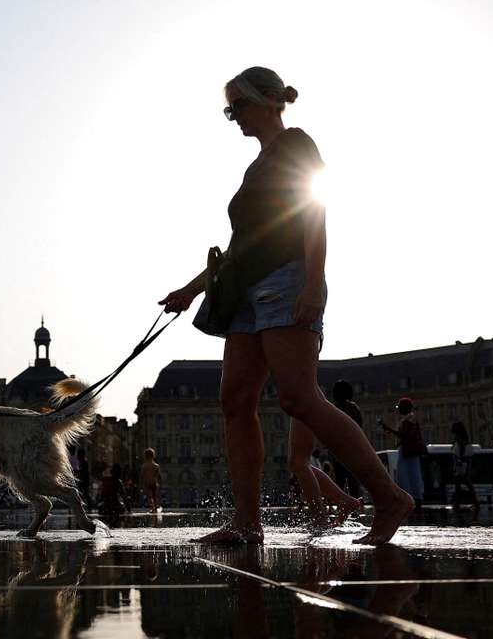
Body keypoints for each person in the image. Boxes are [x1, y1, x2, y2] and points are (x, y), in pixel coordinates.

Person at [160, 66, 413, 545]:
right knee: (234, 401)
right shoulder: (255, 167)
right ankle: (248, 523)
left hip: (285, 280)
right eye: (229, 109)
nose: (234, 117)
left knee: (298, 397)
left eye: (239, 106)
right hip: (241, 294)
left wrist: (313, 282)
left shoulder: (296, 143)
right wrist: (191, 289)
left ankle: (388, 497)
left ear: (267, 101)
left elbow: (313, 210)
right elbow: (239, 247)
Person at [379, 398, 425, 509]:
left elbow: (404, 435)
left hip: (407, 450)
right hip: (409, 451)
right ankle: (415, 498)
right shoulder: (410, 418)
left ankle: (409, 499)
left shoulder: (409, 419)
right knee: (412, 474)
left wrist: (388, 428)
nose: (398, 409)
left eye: (399, 407)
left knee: (404, 475)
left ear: (405, 408)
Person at [329, 380, 364, 498]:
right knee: (353, 479)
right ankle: (355, 505)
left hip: (336, 450)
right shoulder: (354, 408)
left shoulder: (331, 408)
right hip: (352, 449)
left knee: (339, 481)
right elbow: (359, 429)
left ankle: (342, 506)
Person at [450, 421, 478, 509]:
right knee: (465, 483)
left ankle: (457, 503)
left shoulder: (459, 439)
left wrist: (459, 460)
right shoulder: (464, 438)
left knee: (460, 483)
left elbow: (459, 451)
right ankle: (474, 502)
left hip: (460, 465)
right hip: (463, 464)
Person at [139, 448, 162, 513]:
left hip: (147, 483)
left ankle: (152, 508)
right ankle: (155, 507)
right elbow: (158, 476)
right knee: (155, 497)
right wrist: (160, 483)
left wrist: (141, 484)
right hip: (154, 483)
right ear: (153, 455)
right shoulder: (156, 465)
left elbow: (142, 475)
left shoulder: (144, 466)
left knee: (149, 496)